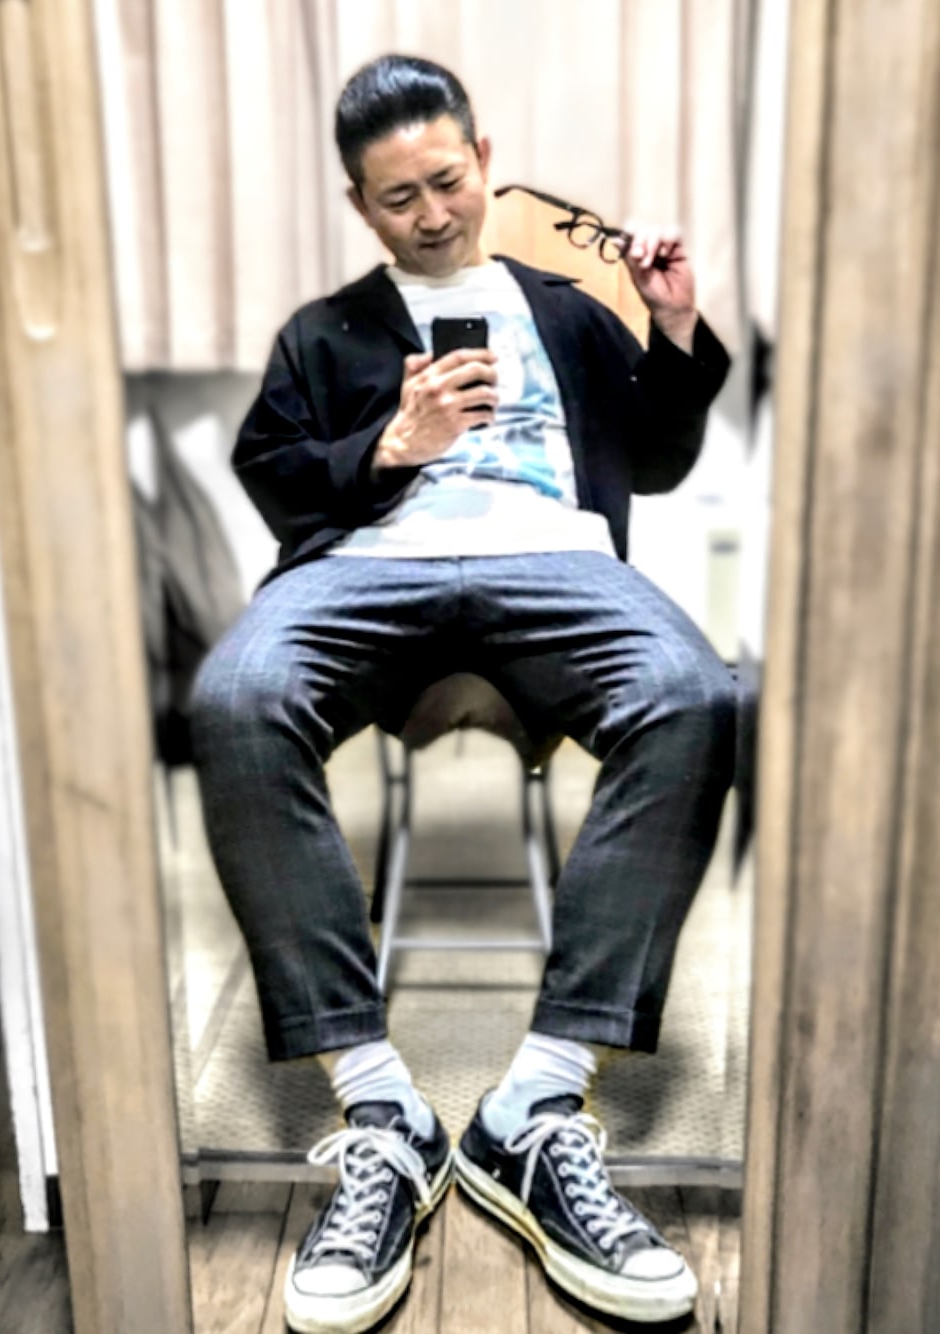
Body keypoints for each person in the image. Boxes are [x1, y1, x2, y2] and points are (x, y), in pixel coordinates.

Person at [191, 52, 735, 1334]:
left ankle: (533, 1105)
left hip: (556, 560)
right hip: (364, 568)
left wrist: (670, 324)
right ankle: (379, 1106)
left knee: (692, 693)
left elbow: (655, 458)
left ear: (483, 160)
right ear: (358, 203)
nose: (432, 214)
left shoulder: (566, 309)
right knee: (234, 697)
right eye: (398, 198)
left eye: (447, 181)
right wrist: (392, 444)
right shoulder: (325, 329)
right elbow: (273, 477)